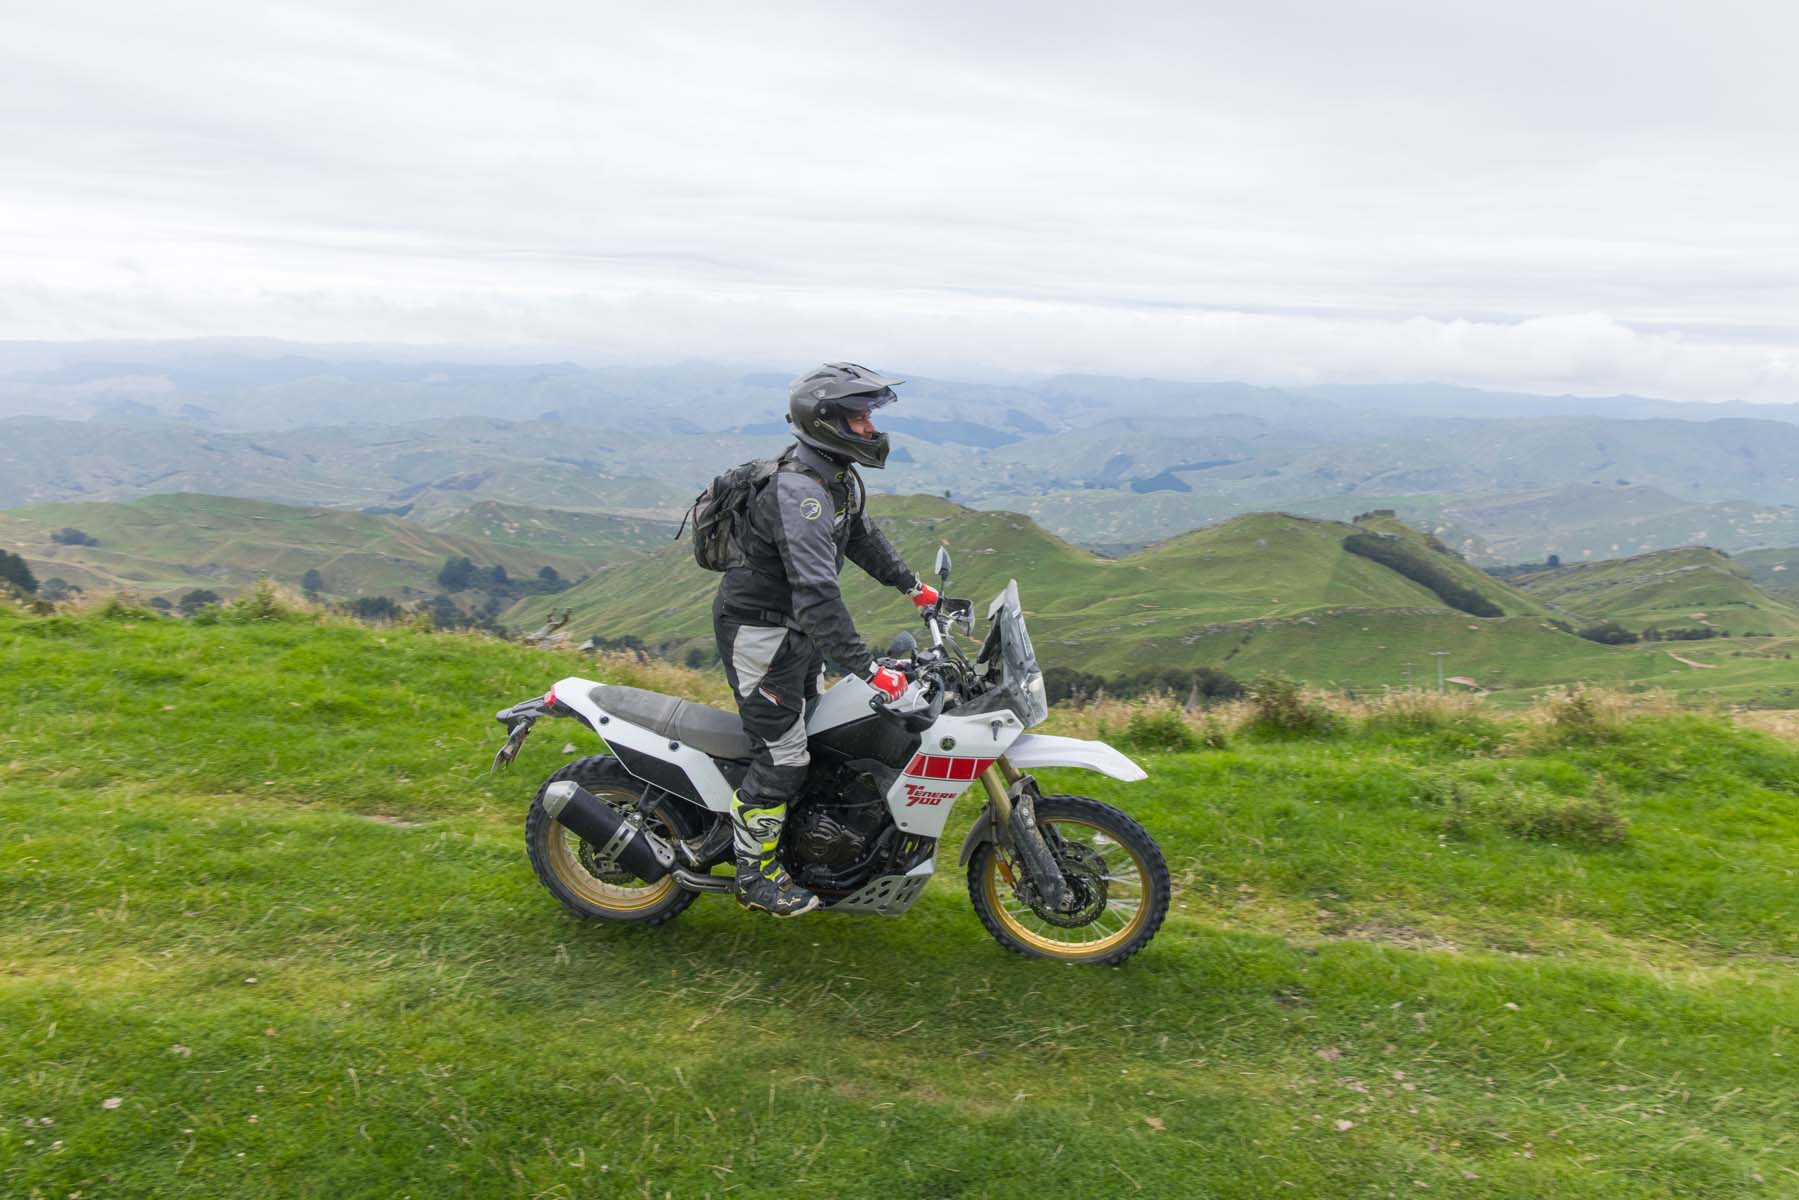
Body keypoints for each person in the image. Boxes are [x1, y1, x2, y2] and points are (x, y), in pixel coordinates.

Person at [712, 363, 939, 917]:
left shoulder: (832, 476)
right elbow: (816, 596)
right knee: (783, 756)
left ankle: (801, 842)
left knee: (817, 736)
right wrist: (871, 671)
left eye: (868, 416)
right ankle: (754, 875)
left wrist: (914, 588)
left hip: (796, 634)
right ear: (826, 421)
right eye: (859, 417)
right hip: (762, 635)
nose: (870, 427)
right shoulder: (800, 493)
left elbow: (859, 535)